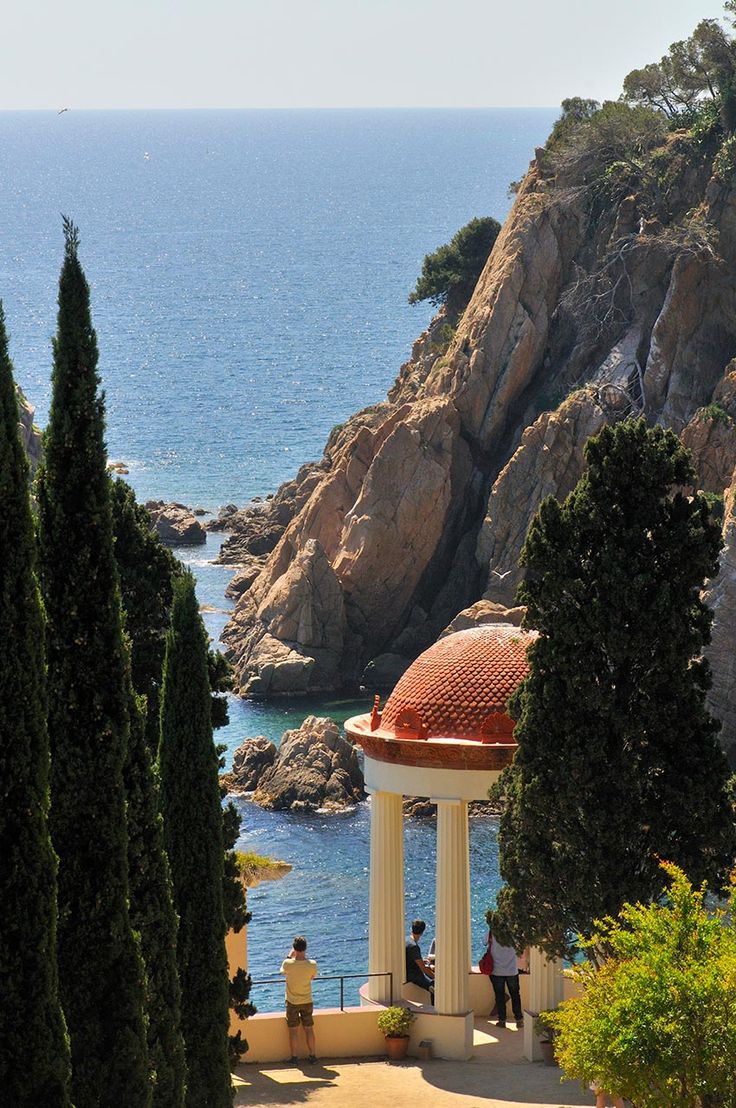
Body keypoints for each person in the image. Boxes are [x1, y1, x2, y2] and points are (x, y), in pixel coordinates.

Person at [280, 935, 318, 1063]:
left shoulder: (288, 963)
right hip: (307, 1000)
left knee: (293, 1031)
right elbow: (313, 977)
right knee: (309, 1029)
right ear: (305, 948)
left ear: (295, 948)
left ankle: (294, 1057)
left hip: (292, 1002)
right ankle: (312, 1056)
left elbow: (283, 972)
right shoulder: (312, 964)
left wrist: (289, 956)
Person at [486, 911, 523, 1028]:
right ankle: (519, 1020)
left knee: (499, 996)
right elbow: (520, 946)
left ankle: (502, 1020)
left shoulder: (492, 932)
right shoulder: (514, 933)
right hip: (512, 969)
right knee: (515, 995)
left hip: (496, 970)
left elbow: (484, 942)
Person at [405, 919, 434, 1000]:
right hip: (414, 975)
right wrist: (435, 978)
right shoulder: (414, 946)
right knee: (435, 987)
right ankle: (434, 1010)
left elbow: (412, 958)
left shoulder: (406, 939)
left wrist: (422, 960)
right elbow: (423, 969)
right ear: (422, 932)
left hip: (408, 972)